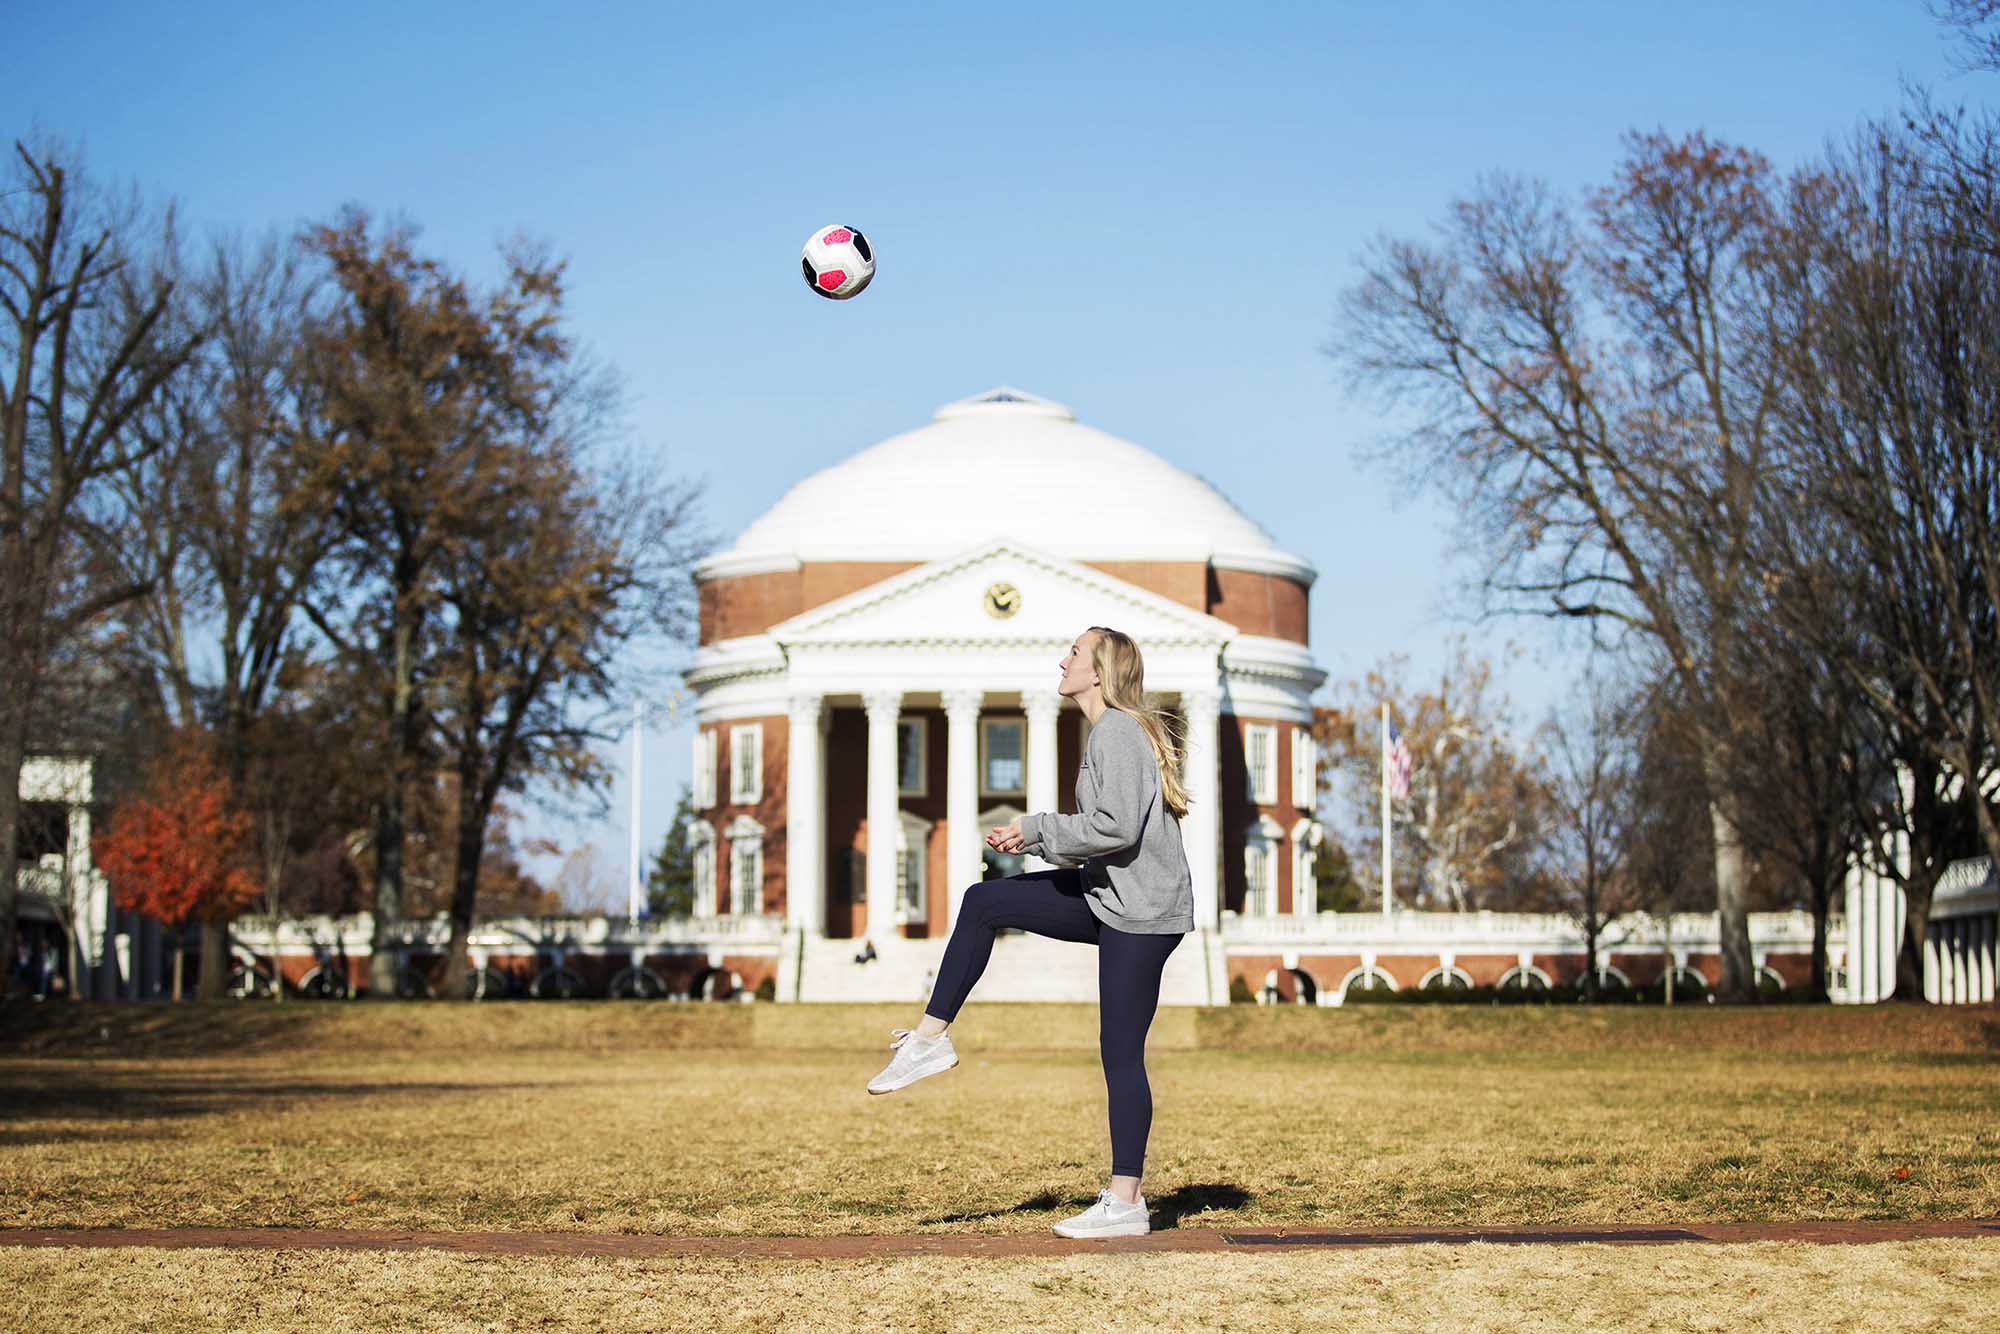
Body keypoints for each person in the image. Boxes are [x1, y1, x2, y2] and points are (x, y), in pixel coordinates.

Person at [866, 626, 1194, 1240]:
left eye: (1074, 654)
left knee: (1120, 1053)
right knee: (985, 901)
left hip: (1142, 914)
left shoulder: (1119, 731)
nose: (1062, 661)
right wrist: (1038, 835)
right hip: (1108, 897)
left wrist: (1036, 828)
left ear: (1098, 672)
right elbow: (1110, 831)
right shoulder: (1111, 733)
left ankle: (1126, 1202)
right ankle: (930, 1040)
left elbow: (1118, 828)